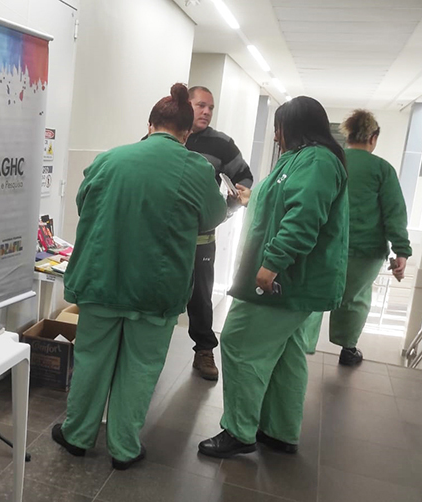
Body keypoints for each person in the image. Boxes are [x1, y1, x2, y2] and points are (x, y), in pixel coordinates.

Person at [51, 83, 227, 470]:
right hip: (155, 289)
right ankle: (124, 447)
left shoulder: (109, 160)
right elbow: (213, 217)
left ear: (150, 125)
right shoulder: (197, 169)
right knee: (141, 367)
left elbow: (83, 204)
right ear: (186, 133)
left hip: (101, 280)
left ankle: (77, 435)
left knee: (92, 360)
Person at [198, 96, 349, 458]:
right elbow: (284, 202)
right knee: (287, 355)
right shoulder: (299, 159)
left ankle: (238, 431)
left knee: (239, 342)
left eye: (279, 127)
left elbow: (304, 217)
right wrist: (253, 196)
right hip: (293, 281)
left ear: (295, 126)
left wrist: (272, 264)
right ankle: (280, 430)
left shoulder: (317, 161)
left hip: (285, 280)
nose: (276, 135)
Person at [303, 110, 412, 364]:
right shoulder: (382, 169)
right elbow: (394, 212)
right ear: (373, 137)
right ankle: (348, 349)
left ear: (348, 135)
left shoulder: (331, 161)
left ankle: (302, 346)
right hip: (365, 251)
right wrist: (401, 250)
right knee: (355, 299)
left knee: (314, 294)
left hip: (325, 245)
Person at [184, 86, 254, 380]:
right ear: (186, 105)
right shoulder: (167, 137)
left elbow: (244, 176)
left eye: (210, 107)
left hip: (201, 238)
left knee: (200, 298)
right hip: (163, 237)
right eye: (201, 105)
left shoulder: (222, 144)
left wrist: (236, 197)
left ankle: (204, 350)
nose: (206, 112)